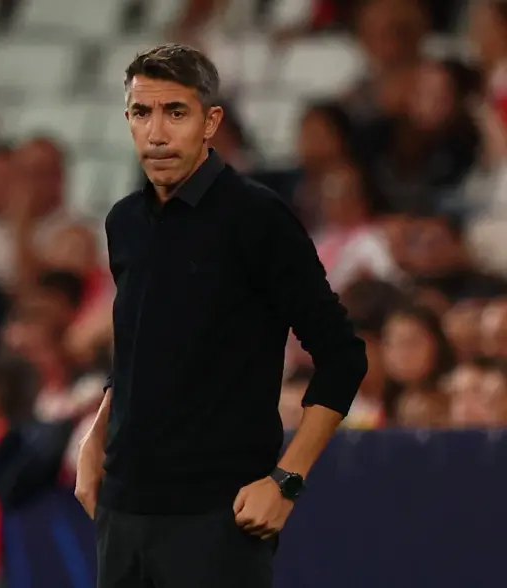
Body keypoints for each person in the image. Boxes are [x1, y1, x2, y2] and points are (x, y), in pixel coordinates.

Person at [74, 44, 367, 588]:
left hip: (217, 518)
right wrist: (96, 439)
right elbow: (138, 346)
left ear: (211, 122)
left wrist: (287, 481)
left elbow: (342, 356)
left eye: (175, 112)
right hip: (122, 513)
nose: (156, 133)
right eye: (142, 112)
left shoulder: (258, 217)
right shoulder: (124, 222)